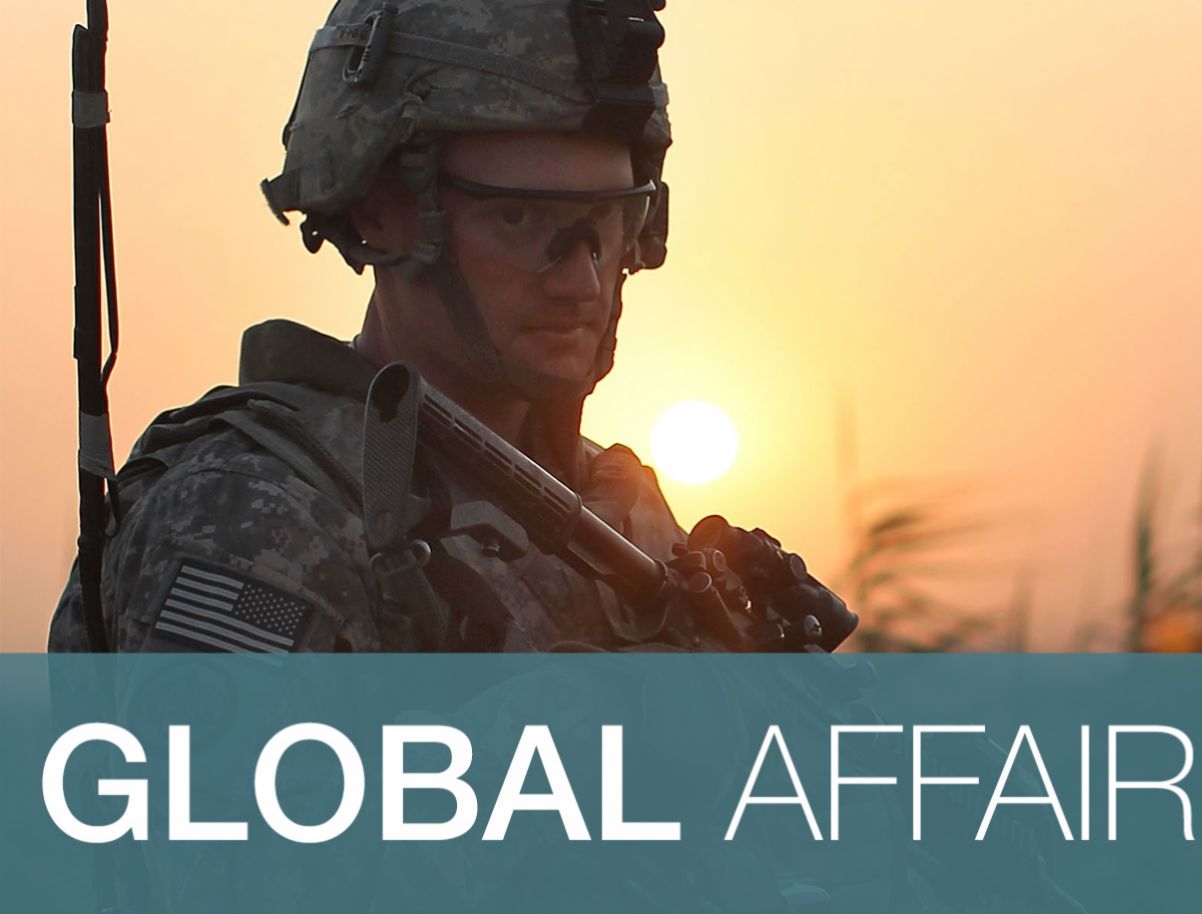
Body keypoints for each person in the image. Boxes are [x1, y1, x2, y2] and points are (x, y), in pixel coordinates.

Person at [47, 0, 836, 654]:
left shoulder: (618, 505)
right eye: (520, 217)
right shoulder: (252, 514)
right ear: (381, 212)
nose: (582, 278)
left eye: (606, 221)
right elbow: (232, 832)